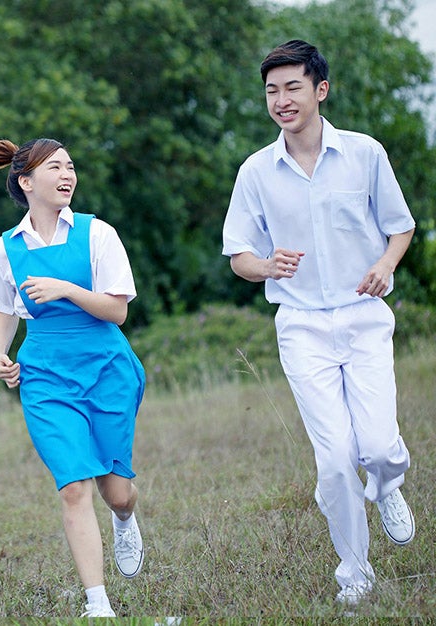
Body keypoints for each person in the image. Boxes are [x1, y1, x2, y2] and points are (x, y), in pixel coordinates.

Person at [222, 40, 416, 606]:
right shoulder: (256, 171)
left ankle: (387, 484)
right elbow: (239, 256)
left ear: (320, 90)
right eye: (271, 91)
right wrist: (267, 264)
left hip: (364, 317)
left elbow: (399, 226)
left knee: (377, 447)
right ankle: (354, 573)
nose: (281, 100)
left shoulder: (364, 153)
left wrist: (384, 264)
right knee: (333, 461)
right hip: (301, 325)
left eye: (292, 88)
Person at [0, 135, 147, 617]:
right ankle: (97, 604)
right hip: (45, 375)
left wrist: (64, 288)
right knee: (73, 485)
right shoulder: (7, 247)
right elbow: (3, 306)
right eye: (55, 167)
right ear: (26, 181)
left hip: (106, 368)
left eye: (70, 166)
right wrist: (0, 351)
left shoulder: (98, 234)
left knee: (115, 491)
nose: (67, 175)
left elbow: (117, 312)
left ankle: (125, 519)